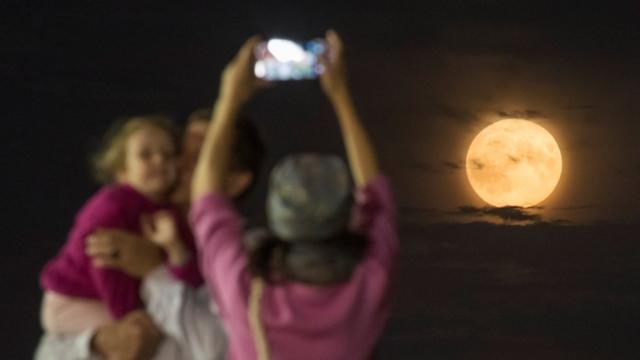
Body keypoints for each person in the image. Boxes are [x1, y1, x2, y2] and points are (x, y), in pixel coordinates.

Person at [190, 30, 397, 359]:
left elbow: (206, 201)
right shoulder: (369, 279)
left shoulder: (244, 288)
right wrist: (340, 96)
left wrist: (229, 99)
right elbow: (378, 200)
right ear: (344, 213)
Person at [35, 110, 266, 359]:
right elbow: (50, 350)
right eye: (177, 151)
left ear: (235, 182)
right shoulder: (129, 222)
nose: (176, 164)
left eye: (201, 156)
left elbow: (215, 348)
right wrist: (98, 342)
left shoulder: (254, 256)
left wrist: (155, 269)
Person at [39, 116, 203, 334]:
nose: (159, 160)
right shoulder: (110, 207)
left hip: (107, 302)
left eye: (169, 154)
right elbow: (103, 263)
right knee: (145, 334)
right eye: (146, 155)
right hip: (72, 299)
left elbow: (192, 283)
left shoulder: (168, 215)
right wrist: (130, 316)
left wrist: (175, 247)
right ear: (122, 170)